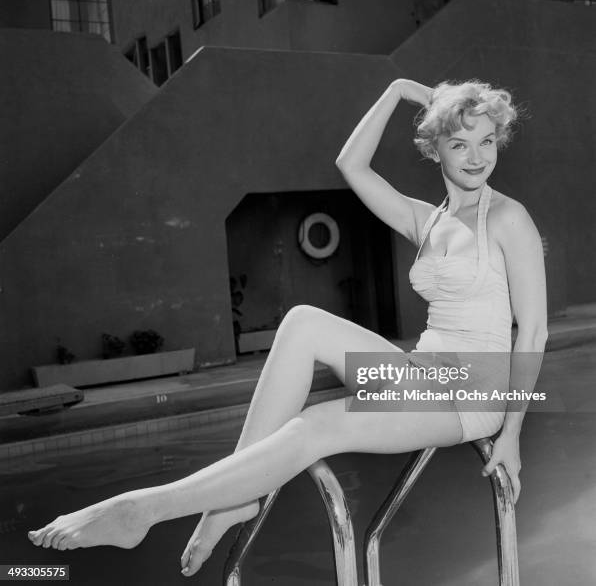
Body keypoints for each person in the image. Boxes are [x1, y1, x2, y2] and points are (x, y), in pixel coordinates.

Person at [28, 78, 547, 579]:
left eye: (486, 141)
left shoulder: (508, 219)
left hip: (472, 390)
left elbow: (534, 333)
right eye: (460, 143)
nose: (477, 156)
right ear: (435, 150)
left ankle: (145, 509)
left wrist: (513, 436)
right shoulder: (426, 220)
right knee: (301, 322)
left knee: (315, 426)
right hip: (422, 371)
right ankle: (234, 498)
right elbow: (351, 164)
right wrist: (395, 92)